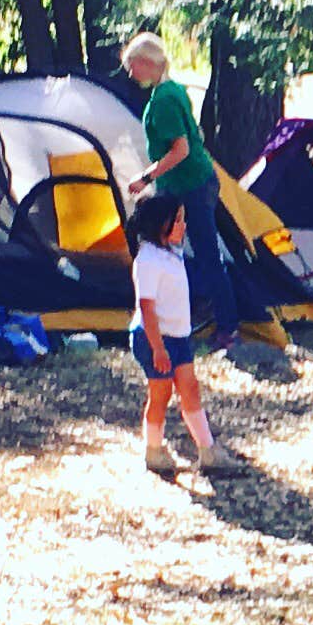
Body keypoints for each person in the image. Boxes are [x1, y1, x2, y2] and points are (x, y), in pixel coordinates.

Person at [120, 34, 233, 352]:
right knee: (185, 253)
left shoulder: (165, 99)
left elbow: (181, 149)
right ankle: (188, 317)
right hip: (186, 183)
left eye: (132, 66)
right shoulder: (172, 90)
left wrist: (146, 177)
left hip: (191, 184)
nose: (131, 74)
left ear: (146, 62)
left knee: (207, 255)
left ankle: (227, 328)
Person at [130, 192, 233, 475]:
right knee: (160, 395)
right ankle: (153, 451)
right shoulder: (147, 260)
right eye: (177, 220)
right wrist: (157, 348)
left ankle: (207, 450)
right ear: (160, 224)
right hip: (155, 340)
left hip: (179, 336)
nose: (183, 226)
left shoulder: (170, 252)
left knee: (190, 388)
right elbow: (147, 308)